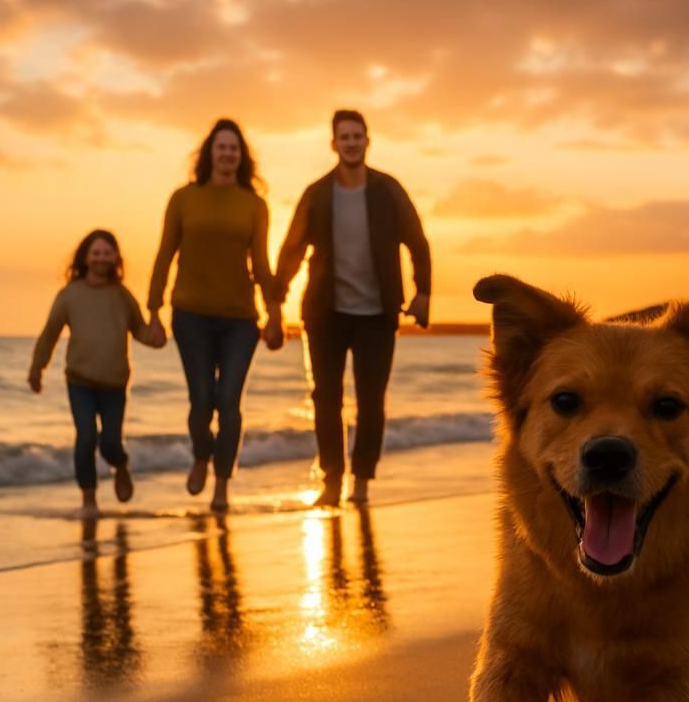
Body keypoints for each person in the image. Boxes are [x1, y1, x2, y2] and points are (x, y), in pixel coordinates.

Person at [267, 109, 431, 506]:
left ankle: (361, 479)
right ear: (333, 143)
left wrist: (422, 292)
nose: (351, 142)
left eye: (358, 136)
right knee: (325, 398)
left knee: (371, 400)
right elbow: (291, 249)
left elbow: (416, 240)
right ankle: (331, 480)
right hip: (325, 313)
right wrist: (275, 301)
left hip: (377, 314)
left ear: (367, 141)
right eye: (345, 136)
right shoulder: (317, 193)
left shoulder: (388, 189)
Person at [146, 118, 273, 513]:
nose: (227, 153)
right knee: (202, 401)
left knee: (229, 401)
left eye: (234, 147)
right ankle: (201, 454)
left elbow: (263, 264)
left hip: (240, 319)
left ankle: (221, 486)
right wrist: (152, 311)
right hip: (191, 316)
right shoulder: (183, 198)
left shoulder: (254, 204)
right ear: (209, 153)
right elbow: (165, 254)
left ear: (241, 156)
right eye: (221, 147)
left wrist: (275, 313)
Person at [29, 230, 165, 519]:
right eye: (96, 252)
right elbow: (50, 333)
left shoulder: (122, 294)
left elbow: (139, 329)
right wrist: (37, 368)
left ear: (116, 258)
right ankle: (89, 499)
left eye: (107, 252)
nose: (101, 257)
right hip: (80, 380)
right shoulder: (70, 294)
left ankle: (121, 466)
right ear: (85, 257)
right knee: (86, 437)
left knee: (111, 442)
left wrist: (154, 337)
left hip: (115, 383)